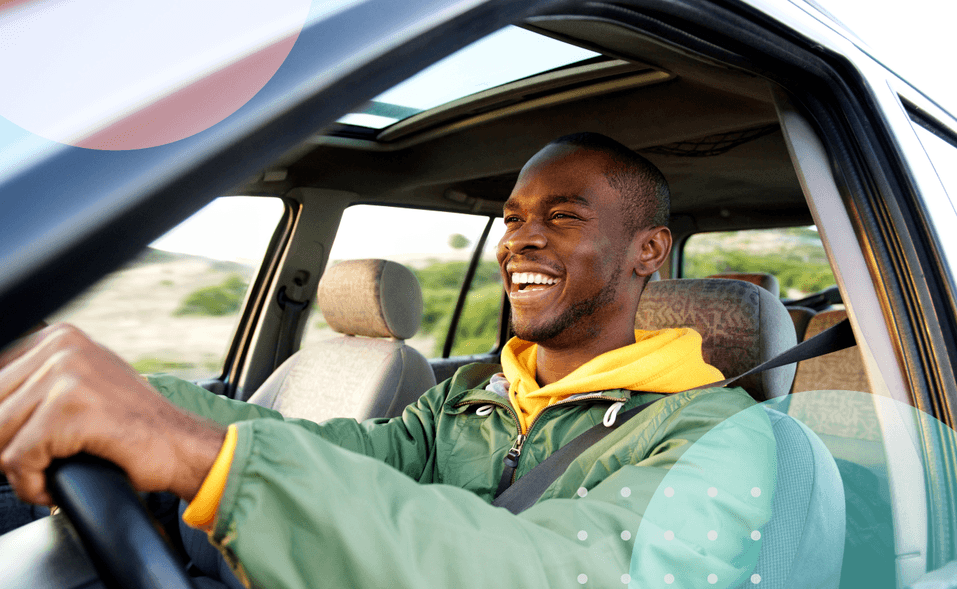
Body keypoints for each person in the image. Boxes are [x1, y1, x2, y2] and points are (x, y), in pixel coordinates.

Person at [0, 132, 775, 588]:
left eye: (562, 216)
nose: (519, 241)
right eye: (511, 219)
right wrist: (138, 400)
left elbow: (557, 572)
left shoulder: (718, 436)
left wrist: (206, 458)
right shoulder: (470, 396)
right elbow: (340, 452)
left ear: (648, 250)